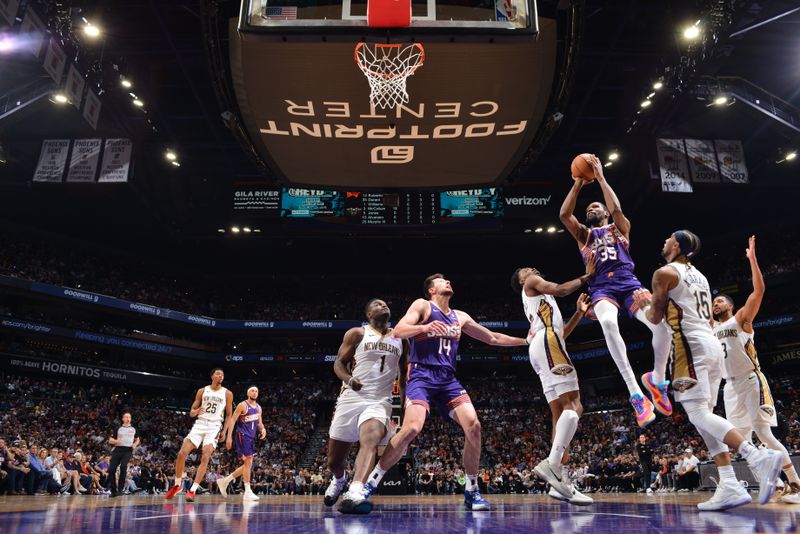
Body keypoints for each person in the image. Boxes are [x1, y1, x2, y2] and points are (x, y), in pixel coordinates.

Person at [351, 274, 529, 512]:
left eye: (448, 280)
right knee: (412, 428)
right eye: (442, 281)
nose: (448, 282)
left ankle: (472, 490)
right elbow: (399, 331)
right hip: (421, 375)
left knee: (474, 426)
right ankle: (370, 483)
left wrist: (526, 340)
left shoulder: (460, 317)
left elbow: (494, 338)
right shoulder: (422, 305)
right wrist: (424, 327)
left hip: (447, 380)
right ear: (431, 290)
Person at [634, 230, 783, 511]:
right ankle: (729, 483)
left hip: (689, 346)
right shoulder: (699, 275)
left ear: (676, 245)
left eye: (667, 238)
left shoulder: (663, 273)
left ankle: (756, 457)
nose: (663, 241)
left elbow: (655, 318)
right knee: (704, 417)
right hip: (710, 346)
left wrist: (642, 304)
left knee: (698, 414)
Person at [559, 154, 671, 426]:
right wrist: (577, 184)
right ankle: (635, 393)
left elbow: (618, 210)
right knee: (608, 322)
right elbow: (564, 215)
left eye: (596, 207)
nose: (591, 210)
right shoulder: (585, 235)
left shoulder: (620, 227)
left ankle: (656, 379)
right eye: (589, 210)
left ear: (606, 212)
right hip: (601, 287)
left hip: (629, 283)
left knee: (662, 327)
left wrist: (600, 178)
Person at [712, 236, 800, 504]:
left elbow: (758, 292)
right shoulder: (709, 328)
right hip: (730, 386)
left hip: (751, 380)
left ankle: (796, 484)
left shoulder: (741, 319)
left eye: (720, 301)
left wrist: (752, 260)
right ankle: (770, 485)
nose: (715, 304)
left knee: (764, 434)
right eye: (713, 302)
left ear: (730, 305)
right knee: (741, 440)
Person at [510, 261, 595, 506]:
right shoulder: (533, 284)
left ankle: (561, 482)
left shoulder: (540, 303)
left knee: (560, 415)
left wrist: (579, 313)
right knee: (575, 406)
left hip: (545, 346)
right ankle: (553, 464)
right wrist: (587, 276)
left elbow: (561, 333)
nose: (531, 269)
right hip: (548, 344)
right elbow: (561, 289)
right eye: (525, 270)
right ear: (521, 281)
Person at [321, 298, 408, 513]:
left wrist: (407, 403)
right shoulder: (357, 333)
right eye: (377, 304)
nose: (384, 305)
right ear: (368, 314)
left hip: (379, 400)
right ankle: (340, 480)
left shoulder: (400, 338)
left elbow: (404, 373)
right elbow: (338, 363)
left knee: (370, 440)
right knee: (334, 461)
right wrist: (349, 380)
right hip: (352, 397)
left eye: (386, 303)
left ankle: (356, 490)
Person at [164, 368, 233, 502]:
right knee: (181, 454)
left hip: (214, 426)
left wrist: (224, 431)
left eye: (223, 375)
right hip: (200, 424)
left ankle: (192, 490)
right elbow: (191, 411)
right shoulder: (202, 391)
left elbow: (229, 414)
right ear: (212, 376)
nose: (221, 376)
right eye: (218, 374)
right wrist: (195, 412)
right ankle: (177, 485)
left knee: (205, 456)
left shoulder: (227, 393)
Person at [218, 386, 266, 502]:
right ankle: (247, 490)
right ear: (248, 393)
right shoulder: (242, 405)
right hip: (242, 435)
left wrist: (263, 429)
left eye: (256, 391)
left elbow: (259, 423)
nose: (255, 393)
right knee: (248, 462)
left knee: (248, 465)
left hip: (251, 437)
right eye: (252, 391)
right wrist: (229, 437)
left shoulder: (259, 408)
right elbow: (232, 420)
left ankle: (225, 481)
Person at [107, 412, 140, 497]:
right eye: (126, 417)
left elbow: (138, 439)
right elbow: (110, 440)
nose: (128, 418)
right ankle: (113, 490)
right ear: (123, 419)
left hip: (128, 450)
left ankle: (120, 490)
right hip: (118, 449)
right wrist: (116, 441)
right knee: (111, 470)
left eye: (129, 417)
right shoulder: (118, 428)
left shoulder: (134, 429)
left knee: (123, 466)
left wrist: (134, 445)